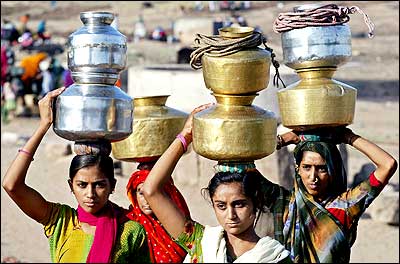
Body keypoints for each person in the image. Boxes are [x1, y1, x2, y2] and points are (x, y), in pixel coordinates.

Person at [2, 87, 151, 263]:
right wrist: (43, 126)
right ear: (70, 186)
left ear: (113, 186)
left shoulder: (130, 231)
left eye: (99, 185)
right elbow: (11, 185)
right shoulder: (60, 221)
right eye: (82, 185)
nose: (90, 194)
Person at [141, 103, 291, 263]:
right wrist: (185, 137)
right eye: (221, 206)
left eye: (239, 204)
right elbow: (151, 190)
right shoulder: (201, 242)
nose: (231, 215)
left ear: (256, 202)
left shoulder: (274, 257)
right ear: (213, 205)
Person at [260, 127, 398, 263]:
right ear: (298, 169)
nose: (313, 176)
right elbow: (242, 167)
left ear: (333, 170)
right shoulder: (284, 202)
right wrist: (283, 139)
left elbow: (388, 164)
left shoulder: (346, 206)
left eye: (322, 168)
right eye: (306, 167)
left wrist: (349, 137)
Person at [125, 160, 191, 262]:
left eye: (155, 193)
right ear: (134, 195)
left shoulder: (179, 223)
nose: (147, 199)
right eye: (141, 193)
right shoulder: (129, 224)